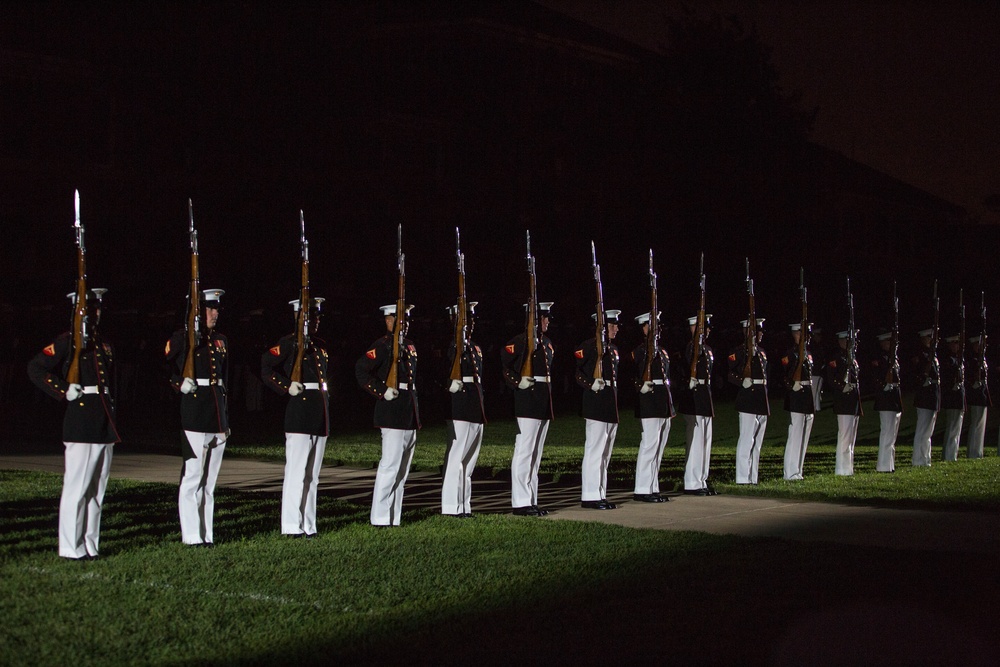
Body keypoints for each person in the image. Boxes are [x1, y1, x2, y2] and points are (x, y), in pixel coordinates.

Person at [28, 288, 119, 560]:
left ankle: (90, 544)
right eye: (90, 308)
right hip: (81, 421)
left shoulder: (103, 345)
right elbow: (35, 368)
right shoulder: (68, 341)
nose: (96, 313)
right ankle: (70, 547)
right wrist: (62, 390)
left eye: (98, 308)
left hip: (103, 421)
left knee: (96, 490)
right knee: (76, 488)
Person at [261, 297, 330, 537]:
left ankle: (308, 524)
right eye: (311, 315)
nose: (316, 320)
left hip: (319, 412)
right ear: (299, 317)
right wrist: (286, 385)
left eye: (318, 316)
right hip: (299, 412)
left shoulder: (320, 346)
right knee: (296, 473)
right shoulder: (289, 343)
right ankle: (291, 525)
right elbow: (266, 366)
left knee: (312, 476)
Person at [165, 288, 229, 546]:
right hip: (194, 412)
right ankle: (192, 536)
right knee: (193, 477)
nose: (215, 313)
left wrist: (225, 419)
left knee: (209, 481)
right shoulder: (183, 338)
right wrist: (178, 383)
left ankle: (206, 534)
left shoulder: (220, 340)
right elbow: (164, 365)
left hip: (216, 414)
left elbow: (224, 382)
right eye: (210, 308)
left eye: (216, 309)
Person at [355, 303, 419, 527]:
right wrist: (381, 391)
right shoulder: (382, 345)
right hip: (391, 409)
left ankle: (394, 516)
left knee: (402, 468)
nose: (405, 323)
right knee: (390, 465)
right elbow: (361, 370)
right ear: (388, 321)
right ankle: (380, 517)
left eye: (407, 319)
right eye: (400, 319)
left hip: (408, 409)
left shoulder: (409, 345)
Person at [500, 302, 555, 516]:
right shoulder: (521, 341)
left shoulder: (547, 342)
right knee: (525, 451)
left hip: (542, 398)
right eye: (543, 317)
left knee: (536, 453)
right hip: (528, 398)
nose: (547, 321)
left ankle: (531, 498)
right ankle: (521, 502)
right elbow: (506, 365)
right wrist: (517, 381)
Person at [441, 301, 485, 518]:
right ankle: (450, 506)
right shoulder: (450, 345)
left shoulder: (474, 346)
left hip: (475, 403)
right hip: (459, 404)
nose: (471, 322)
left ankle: (464, 504)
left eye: (472, 318)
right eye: (466, 318)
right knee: (456, 457)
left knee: (469, 460)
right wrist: (449, 383)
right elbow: (440, 370)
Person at [574, 309, 622, 509]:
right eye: (612, 325)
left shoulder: (612, 349)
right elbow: (578, 373)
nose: (616, 329)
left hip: (610, 401)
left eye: (616, 325)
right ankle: (590, 494)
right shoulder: (589, 347)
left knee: (605, 452)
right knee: (595, 449)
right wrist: (590, 383)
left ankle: (600, 492)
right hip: (595, 401)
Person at [631, 311, 674, 502]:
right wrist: (640, 386)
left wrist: (669, 406)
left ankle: (652, 486)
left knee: (659, 447)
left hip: (662, 401)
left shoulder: (662, 351)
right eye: (654, 326)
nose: (658, 330)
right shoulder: (641, 351)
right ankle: (642, 489)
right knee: (649, 445)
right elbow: (631, 374)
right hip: (649, 400)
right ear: (645, 328)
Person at [678, 314, 715, 496]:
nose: (706, 330)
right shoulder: (691, 348)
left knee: (705, 440)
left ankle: (701, 479)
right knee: (695, 441)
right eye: (702, 327)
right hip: (693, 397)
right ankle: (692, 482)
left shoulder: (705, 349)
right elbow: (684, 368)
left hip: (704, 396)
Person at [728, 318, 769, 484]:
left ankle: (753, 477)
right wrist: (741, 381)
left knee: (757, 441)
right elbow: (730, 374)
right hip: (747, 397)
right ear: (747, 332)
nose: (760, 334)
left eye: (760, 331)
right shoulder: (739, 352)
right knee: (747, 439)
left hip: (761, 396)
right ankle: (743, 477)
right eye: (757, 331)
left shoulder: (762, 352)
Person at [780, 322, 814, 480]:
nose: (806, 336)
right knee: (795, 435)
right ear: (795, 334)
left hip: (806, 395)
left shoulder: (807, 353)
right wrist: (792, 384)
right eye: (803, 333)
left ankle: (798, 470)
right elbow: (785, 375)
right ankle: (790, 472)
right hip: (797, 395)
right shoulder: (791, 354)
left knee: (804, 435)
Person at [827, 329, 862, 475]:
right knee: (845, 435)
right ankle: (841, 469)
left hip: (852, 400)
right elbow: (831, 378)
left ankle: (848, 467)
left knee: (851, 436)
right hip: (843, 400)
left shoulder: (851, 358)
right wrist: (843, 387)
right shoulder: (837, 358)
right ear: (842, 341)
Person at [870, 330, 903, 472]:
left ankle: (890, 464)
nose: (891, 344)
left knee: (892, 435)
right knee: (887, 433)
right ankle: (883, 466)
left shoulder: (892, 358)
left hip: (894, 399)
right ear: (882, 342)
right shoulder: (880, 358)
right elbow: (876, 377)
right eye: (888, 341)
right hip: (885, 399)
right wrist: (884, 385)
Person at [911, 327, 940, 467]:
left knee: (928, 431)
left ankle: (926, 459)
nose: (933, 340)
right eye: (930, 337)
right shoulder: (921, 355)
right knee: (923, 429)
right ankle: (918, 459)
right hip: (925, 396)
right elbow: (917, 374)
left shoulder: (931, 354)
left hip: (932, 395)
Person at [939, 334, 966, 461]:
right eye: (954, 343)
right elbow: (947, 378)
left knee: (956, 428)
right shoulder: (949, 359)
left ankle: (952, 454)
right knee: (952, 427)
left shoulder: (956, 358)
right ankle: (949, 455)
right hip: (952, 398)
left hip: (958, 397)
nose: (957, 345)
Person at [965, 333, 990, 459]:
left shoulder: (980, 358)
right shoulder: (973, 359)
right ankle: (973, 452)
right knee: (976, 424)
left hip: (982, 394)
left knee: (980, 425)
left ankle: (978, 452)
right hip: (976, 395)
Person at [809, 327, 826, 412]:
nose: (819, 337)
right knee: (813, 390)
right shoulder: (812, 346)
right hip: (814, 371)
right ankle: (813, 407)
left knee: (818, 390)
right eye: (817, 335)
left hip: (819, 371)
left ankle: (817, 407)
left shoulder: (819, 346)